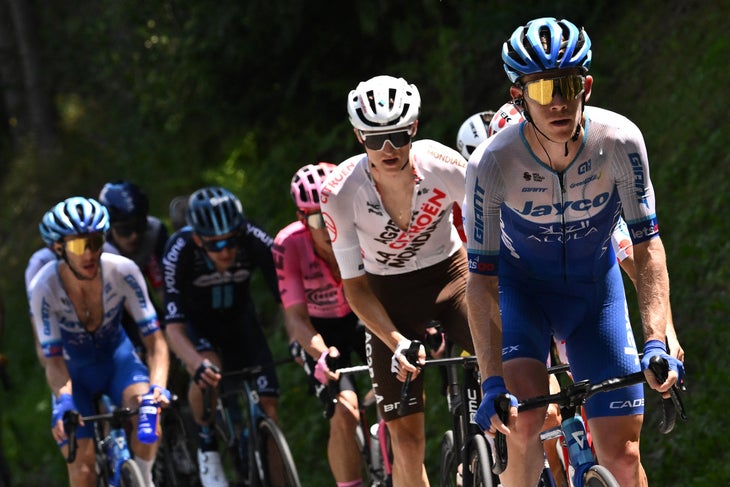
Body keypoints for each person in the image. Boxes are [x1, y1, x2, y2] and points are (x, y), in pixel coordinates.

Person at [464, 17, 684, 487]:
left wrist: (657, 337)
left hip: (595, 298)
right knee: (524, 424)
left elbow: (646, 249)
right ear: (518, 97)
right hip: (524, 299)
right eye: (543, 91)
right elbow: (480, 281)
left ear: (586, 85)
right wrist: (489, 381)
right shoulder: (492, 163)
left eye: (566, 86)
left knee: (623, 457)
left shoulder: (621, 141)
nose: (558, 103)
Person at [320, 74, 474, 487]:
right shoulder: (339, 192)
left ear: (414, 129)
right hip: (389, 299)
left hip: (453, 278)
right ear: (358, 135)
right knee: (406, 444)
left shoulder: (443, 163)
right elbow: (354, 287)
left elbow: (491, 228)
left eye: (397, 136)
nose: (387, 149)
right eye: (374, 139)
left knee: (518, 381)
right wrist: (396, 341)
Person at [29, 196, 170, 487]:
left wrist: (157, 389)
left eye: (96, 242)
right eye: (79, 245)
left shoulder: (123, 270)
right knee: (82, 471)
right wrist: (64, 403)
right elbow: (53, 360)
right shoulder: (44, 287)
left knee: (147, 414)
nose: (90, 253)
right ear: (59, 248)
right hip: (74, 376)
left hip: (118, 362)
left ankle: (143, 478)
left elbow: (156, 342)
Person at [162, 186, 282, 487]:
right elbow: (173, 328)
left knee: (269, 407)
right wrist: (195, 363)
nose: (226, 250)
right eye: (215, 245)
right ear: (199, 238)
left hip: (241, 323)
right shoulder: (180, 249)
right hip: (196, 326)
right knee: (208, 367)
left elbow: (288, 301)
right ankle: (206, 443)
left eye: (231, 240)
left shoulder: (252, 237)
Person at [273, 162, 367, 487]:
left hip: (362, 317)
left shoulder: (366, 226)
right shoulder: (288, 244)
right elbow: (296, 318)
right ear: (302, 220)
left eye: (332, 211)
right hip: (321, 329)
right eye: (315, 218)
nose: (327, 226)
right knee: (345, 412)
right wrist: (320, 354)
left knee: (394, 401)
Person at [99, 180, 169, 304]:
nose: (134, 236)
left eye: (140, 226)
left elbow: (166, 286)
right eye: (124, 230)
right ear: (109, 228)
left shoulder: (155, 231)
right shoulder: (98, 245)